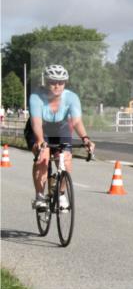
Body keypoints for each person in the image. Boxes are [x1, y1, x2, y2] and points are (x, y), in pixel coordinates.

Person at [24, 65, 96, 210]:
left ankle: (61, 193)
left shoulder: (71, 97)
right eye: (52, 82)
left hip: (60, 128)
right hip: (39, 128)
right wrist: (40, 141)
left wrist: (85, 139)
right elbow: (36, 122)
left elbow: (76, 121)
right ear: (46, 82)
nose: (57, 86)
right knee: (43, 157)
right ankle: (39, 196)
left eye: (61, 82)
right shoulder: (36, 97)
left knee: (66, 159)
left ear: (65, 83)